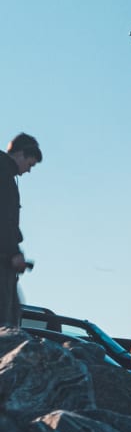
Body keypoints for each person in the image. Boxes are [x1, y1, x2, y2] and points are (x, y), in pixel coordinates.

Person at [1, 133, 43, 330]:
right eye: (30, 164)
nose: (28, 171)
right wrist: (13, 253)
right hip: (3, 260)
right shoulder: (4, 176)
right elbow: (5, 218)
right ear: (20, 154)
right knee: (6, 323)